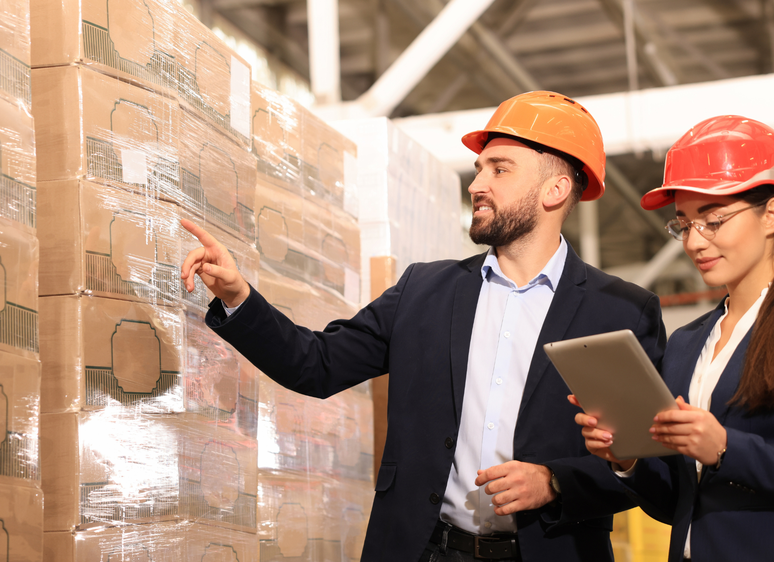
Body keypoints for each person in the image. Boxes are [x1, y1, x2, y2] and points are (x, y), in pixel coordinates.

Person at [181, 91, 667, 562]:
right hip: (426, 549)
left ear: (555, 189)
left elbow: (651, 464)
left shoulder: (621, 311)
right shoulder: (425, 290)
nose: (477, 185)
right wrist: (236, 296)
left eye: (500, 169)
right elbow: (316, 365)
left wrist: (555, 481)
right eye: (479, 170)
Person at [573, 115, 774, 561]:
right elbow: (677, 505)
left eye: (713, 220)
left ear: (772, 213)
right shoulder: (685, 344)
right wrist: (626, 460)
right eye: (684, 224)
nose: (694, 242)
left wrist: (725, 448)